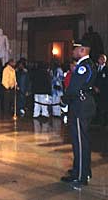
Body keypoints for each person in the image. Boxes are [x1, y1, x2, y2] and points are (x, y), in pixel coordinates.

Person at [61, 40, 96, 188]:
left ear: (82, 51)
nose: (73, 52)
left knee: (80, 142)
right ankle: (80, 170)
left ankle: (81, 176)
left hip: (80, 105)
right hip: (82, 103)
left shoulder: (84, 66)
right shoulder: (88, 65)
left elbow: (74, 88)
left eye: (75, 49)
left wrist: (64, 101)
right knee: (79, 141)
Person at [94, 54, 108, 127]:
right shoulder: (97, 68)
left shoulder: (106, 69)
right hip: (96, 90)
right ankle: (98, 120)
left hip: (103, 91)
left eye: (100, 59)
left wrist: (100, 89)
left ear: (103, 60)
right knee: (97, 105)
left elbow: (106, 81)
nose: (98, 60)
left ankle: (104, 122)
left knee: (104, 106)